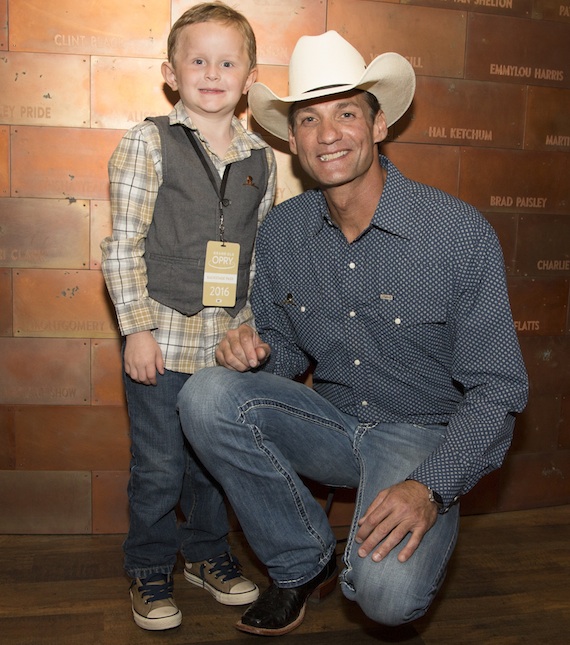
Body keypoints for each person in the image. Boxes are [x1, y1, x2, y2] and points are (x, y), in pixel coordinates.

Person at [177, 30, 528, 636]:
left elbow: (498, 392)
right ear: (292, 139)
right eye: (309, 119)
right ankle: (300, 561)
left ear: (379, 124)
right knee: (206, 394)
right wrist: (253, 351)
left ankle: (387, 532)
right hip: (333, 426)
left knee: (386, 600)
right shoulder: (285, 231)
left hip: (421, 440)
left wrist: (430, 485)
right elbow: (285, 355)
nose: (328, 134)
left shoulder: (456, 233)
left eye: (346, 113)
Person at [100, 2, 276, 631]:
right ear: (171, 73)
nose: (211, 72)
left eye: (227, 61)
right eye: (196, 60)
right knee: (158, 464)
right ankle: (149, 569)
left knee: (212, 463)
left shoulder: (262, 158)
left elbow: (254, 257)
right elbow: (122, 242)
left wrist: (248, 328)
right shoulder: (148, 142)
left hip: (221, 348)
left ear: (249, 76)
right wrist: (136, 328)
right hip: (162, 339)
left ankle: (206, 555)